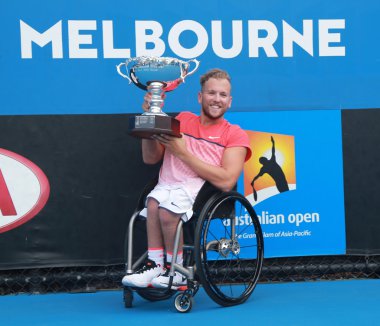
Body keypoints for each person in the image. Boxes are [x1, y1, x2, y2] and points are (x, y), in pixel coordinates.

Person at [122, 68, 252, 290]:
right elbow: (151, 158)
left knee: (165, 210)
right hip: (167, 185)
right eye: (211, 93)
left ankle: (176, 270)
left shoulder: (235, 134)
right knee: (153, 203)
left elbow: (226, 181)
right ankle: (155, 265)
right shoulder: (181, 120)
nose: (216, 99)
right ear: (200, 97)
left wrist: (182, 152)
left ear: (229, 102)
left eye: (222, 95)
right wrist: (150, 121)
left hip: (198, 192)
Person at [250, 136, 289, 201]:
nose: (265, 159)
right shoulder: (270, 162)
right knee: (286, 197)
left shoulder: (265, 167)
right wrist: (273, 143)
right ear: (264, 161)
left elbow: (257, 176)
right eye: (263, 159)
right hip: (281, 182)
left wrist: (253, 181)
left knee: (286, 197)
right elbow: (273, 151)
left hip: (281, 182)